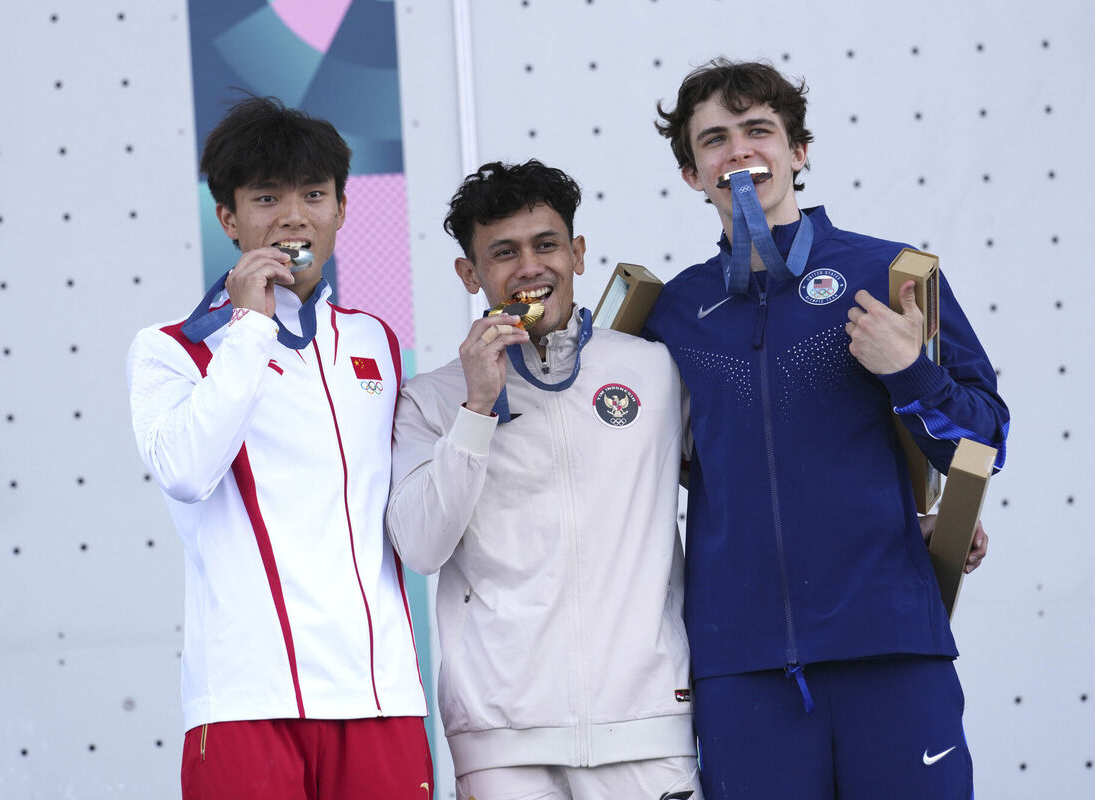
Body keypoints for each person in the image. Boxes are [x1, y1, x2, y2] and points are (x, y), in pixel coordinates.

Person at [646, 59, 1009, 800]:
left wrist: (910, 370)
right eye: (714, 139)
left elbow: (986, 442)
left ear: (798, 151)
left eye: (758, 130)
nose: (739, 152)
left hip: (889, 643)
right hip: (739, 664)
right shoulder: (672, 314)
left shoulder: (889, 274)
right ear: (691, 173)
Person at [127, 96, 431, 799]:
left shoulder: (375, 341)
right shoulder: (170, 348)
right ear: (229, 219)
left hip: (378, 693)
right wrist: (249, 327)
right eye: (267, 197)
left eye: (314, 195)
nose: (294, 216)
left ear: (342, 211)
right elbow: (184, 472)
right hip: (246, 701)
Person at [386, 160, 701, 800]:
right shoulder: (431, 399)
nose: (530, 267)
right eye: (503, 252)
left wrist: (903, 516)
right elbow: (419, 545)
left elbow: (755, 481)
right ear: (470, 274)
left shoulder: (654, 370)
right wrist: (476, 407)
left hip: (647, 728)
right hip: (502, 739)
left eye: (546, 244)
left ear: (577, 254)